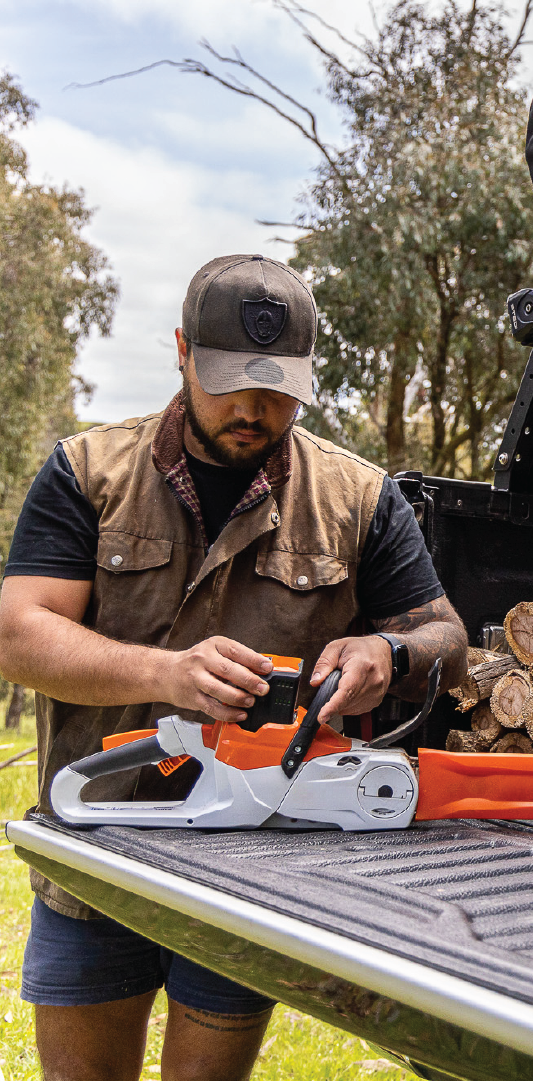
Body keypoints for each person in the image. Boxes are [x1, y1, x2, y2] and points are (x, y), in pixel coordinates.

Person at [0, 253, 468, 1081]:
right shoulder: (88, 472)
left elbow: (445, 638)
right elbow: (17, 634)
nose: (255, 408)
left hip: (253, 865)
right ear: (181, 350)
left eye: (279, 385)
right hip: (98, 849)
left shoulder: (357, 497)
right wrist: (166, 675)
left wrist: (384, 652)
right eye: (230, 381)